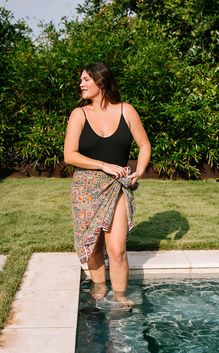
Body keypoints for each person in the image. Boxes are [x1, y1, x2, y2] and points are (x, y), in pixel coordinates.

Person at [64, 62, 151, 307]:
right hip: (86, 189)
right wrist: (103, 165)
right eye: (81, 80)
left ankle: (121, 296)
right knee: (92, 247)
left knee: (117, 249)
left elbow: (144, 145)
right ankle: (100, 287)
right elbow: (69, 155)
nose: (81, 84)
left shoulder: (127, 111)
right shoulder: (78, 114)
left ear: (100, 82)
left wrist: (140, 170)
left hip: (116, 188)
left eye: (86, 80)